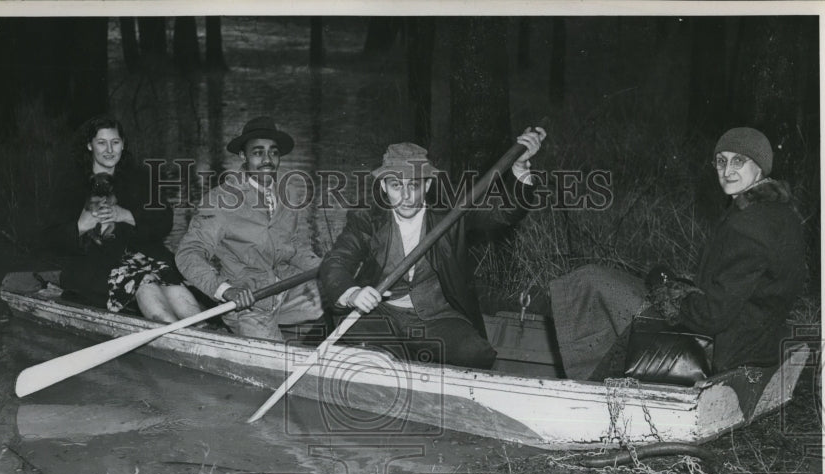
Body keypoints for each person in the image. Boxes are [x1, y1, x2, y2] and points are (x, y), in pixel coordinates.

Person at [550, 126, 807, 379]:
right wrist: (678, 288)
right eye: (720, 161)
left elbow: (711, 316)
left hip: (725, 351)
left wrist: (669, 295)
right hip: (755, 339)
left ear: (759, 166)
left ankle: (585, 384)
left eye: (738, 161)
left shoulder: (749, 225)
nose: (727, 171)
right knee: (609, 284)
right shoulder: (779, 213)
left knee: (592, 283)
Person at [317, 127, 547, 369]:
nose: (406, 196)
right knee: (372, 355)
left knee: (476, 355)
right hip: (378, 315)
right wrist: (353, 293)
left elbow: (507, 213)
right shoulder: (366, 219)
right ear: (384, 187)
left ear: (426, 186)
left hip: (436, 316)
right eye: (396, 186)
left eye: (414, 186)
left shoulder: (452, 213)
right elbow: (336, 263)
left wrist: (520, 168)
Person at [42, 116, 204, 324]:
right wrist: (80, 226)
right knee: (144, 282)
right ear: (89, 145)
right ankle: (173, 331)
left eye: (115, 142)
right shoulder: (70, 184)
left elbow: (164, 221)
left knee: (168, 279)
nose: (109, 150)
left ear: (123, 144)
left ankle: (201, 328)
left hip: (142, 257)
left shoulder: (140, 178)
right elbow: (47, 240)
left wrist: (125, 215)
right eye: (101, 143)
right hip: (92, 267)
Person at [174, 116, 324, 340]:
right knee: (275, 365)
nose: (267, 160)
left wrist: (328, 267)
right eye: (257, 152)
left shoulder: (287, 191)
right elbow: (188, 254)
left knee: (340, 295)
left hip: (285, 290)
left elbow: (291, 245)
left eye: (273, 152)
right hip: (249, 304)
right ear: (243, 156)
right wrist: (225, 290)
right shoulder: (220, 200)